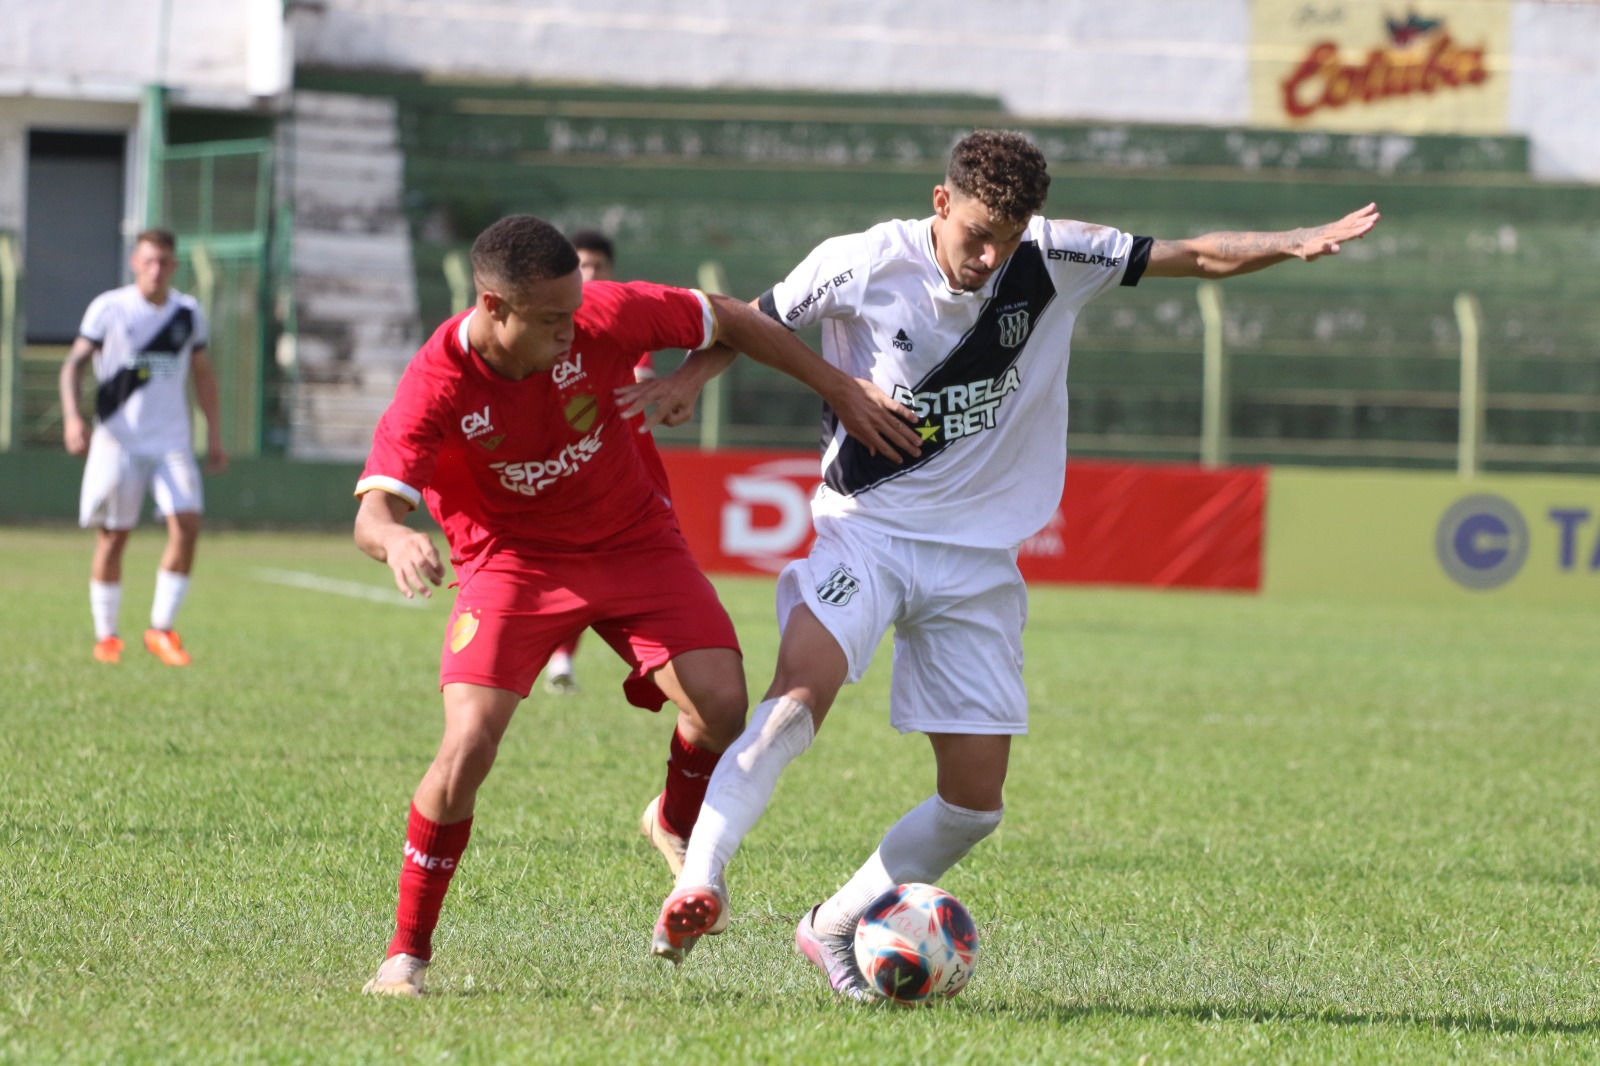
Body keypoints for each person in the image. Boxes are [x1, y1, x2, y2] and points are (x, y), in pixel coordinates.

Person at [646, 129, 1381, 996]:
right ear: (941, 202)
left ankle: (835, 924)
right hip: (868, 532)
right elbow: (752, 319)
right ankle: (702, 878)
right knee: (794, 703)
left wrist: (1287, 244)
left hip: (980, 564)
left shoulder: (1058, 254)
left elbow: (1198, 257)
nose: (989, 258)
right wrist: (694, 376)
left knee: (973, 805)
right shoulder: (862, 262)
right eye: (975, 236)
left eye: (1008, 237)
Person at [354, 214, 916, 996]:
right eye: (551, 321)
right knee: (467, 747)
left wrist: (785, 384)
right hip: (512, 563)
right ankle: (405, 955)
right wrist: (398, 540)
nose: (569, 332)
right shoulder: (437, 382)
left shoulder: (602, 312)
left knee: (723, 704)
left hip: (632, 541)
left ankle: (673, 821)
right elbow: (373, 512)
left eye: (574, 311)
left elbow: (736, 316)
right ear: (492, 307)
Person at [58, 227, 227, 667]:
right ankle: (107, 636)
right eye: (148, 260)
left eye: (164, 262)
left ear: (174, 266)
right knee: (114, 536)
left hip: (171, 440)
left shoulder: (187, 314)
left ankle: (161, 628)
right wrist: (74, 418)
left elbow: (203, 375)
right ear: (135, 262)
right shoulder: (109, 308)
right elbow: (73, 366)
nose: (156, 269)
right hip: (119, 440)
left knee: (187, 524)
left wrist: (215, 434)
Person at [539, 229, 665, 695]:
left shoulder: (623, 322)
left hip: (621, 474)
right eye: (581, 267)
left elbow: (638, 381)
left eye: (597, 267)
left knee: (637, 571)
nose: (590, 275)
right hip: (561, 472)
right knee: (571, 566)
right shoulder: (541, 327)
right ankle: (558, 657)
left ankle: (655, 664)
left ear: (611, 272)